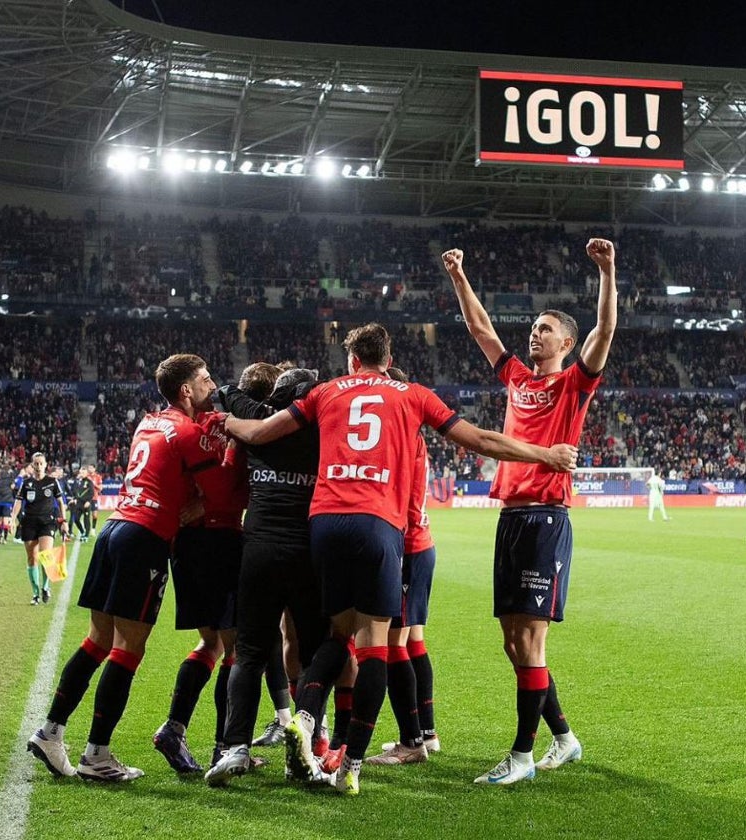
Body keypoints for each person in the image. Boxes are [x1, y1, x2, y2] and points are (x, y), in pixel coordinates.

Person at [224, 323, 577, 795]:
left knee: (337, 634)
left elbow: (261, 431)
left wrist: (222, 416)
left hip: (325, 523)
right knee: (375, 645)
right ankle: (351, 765)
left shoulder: (326, 391)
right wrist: (545, 455)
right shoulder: (413, 395)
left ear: (352, 360)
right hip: (379, 525)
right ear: (388, 360)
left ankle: (305, 720)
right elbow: (481, 441)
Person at [442, 238, 617, 787]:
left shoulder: (574, 383)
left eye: (546, 329)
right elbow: (480, 330)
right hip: (512, 516)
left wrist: (607, 272)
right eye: (535, 328)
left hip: (545, 516)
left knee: (531, 641)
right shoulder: (518, 378)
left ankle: (521, 756)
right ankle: (564, 738)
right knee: (512, 641)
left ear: (566, 340)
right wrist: (458, 276)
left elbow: (605, 331)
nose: (535, 333)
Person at [26, 354, 219, 783]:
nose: (212, 385)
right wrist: (202, 503)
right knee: (128, 648)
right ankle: (97, 755)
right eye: (206, 380)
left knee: (97, 639)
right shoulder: (189, 431)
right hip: (145, 538)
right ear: (186, 390)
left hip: (113, 530)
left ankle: (51, 732)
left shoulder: (148, 423)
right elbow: (219, 486)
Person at [204, 363, 325, 786]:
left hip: (257, 551)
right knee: (313, 653)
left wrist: (222, 390)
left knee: (250, 652)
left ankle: (235, 747)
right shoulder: (320, 429)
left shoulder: (256, 422)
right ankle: (309, 745)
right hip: (307, 553)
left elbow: (237, 398)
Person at [153, 407, 249, 775]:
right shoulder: (231, 430)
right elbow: (225, 483)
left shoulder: (186, 429)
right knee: (235, 649)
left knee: (211, 643)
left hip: (187, 545)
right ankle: (224, 748)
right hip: (219, 541)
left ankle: (174, 729)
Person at [365, 367, 439, 767]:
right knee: (413, 642)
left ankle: (412, 742)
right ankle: (426, 730)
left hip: (406, 547)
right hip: (420, 545)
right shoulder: (414, 437)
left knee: (394, 645)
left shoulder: (400, 440)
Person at [9, 452, 69, 605]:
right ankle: (35, 593)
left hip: (47, 522)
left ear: (45, 465)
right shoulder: (26, 482)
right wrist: (12, 519)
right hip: (29, 522)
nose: (38, 466)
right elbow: (18, 502)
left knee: (46, 555)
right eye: (35, 463)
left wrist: (64, 521)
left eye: (41, 463)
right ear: (32, 465)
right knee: (32, 557)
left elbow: (61, 502)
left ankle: (46, 587)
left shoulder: (52, 481)